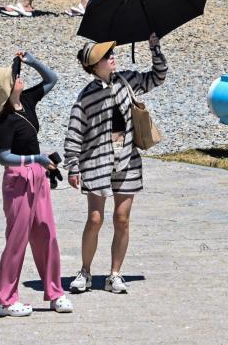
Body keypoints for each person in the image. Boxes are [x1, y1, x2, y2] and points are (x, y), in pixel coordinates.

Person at [64, 35, 167, 294]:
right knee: (95, 219)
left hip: (127, 161)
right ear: (94, 65)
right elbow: (74, 132)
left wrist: (154, 47)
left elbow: (158, 76)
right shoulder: (85, 97)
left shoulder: (126, 80)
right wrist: (73, 166)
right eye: (106, 55)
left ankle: (115, 274)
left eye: (111, 53)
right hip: (96, 162)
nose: (112, 56)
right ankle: (85, 272)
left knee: (121, 219)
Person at [0, 51, 72, 317]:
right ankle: (6, 301)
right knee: (17, 239)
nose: (19, 77)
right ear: (7, 88)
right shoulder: (4, 121)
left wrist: (33, 61)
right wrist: (36, 158)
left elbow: (52, 79)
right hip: (18, 180)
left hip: (39, 176)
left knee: (47, 233)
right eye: (15, 77)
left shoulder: (28, 100)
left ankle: (55, 293)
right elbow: (3, 157)